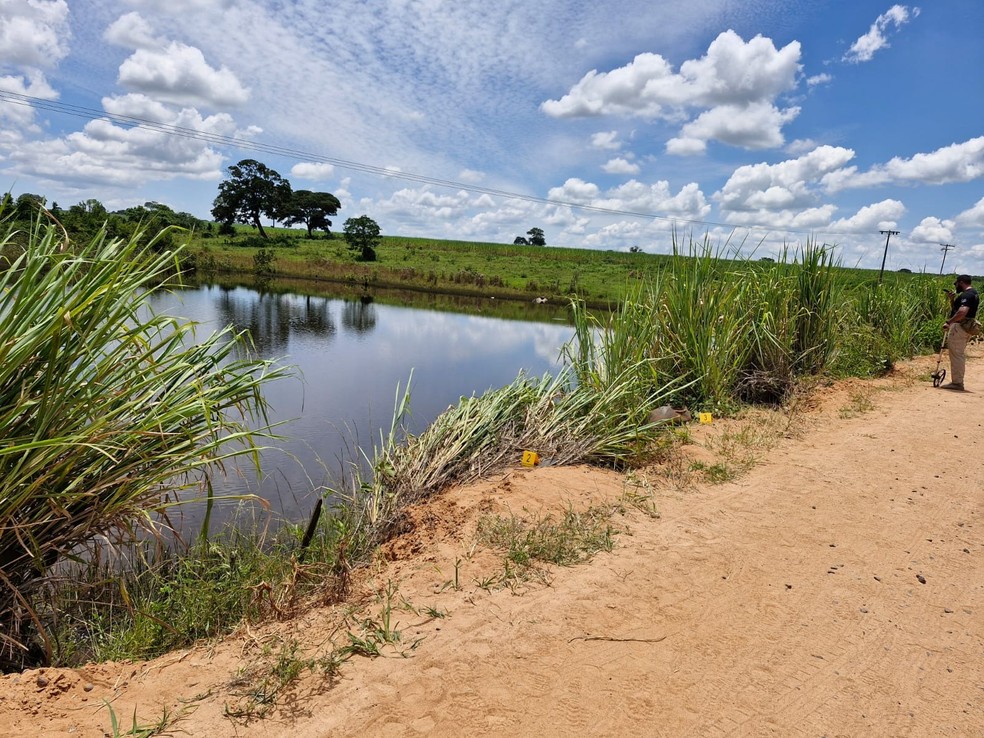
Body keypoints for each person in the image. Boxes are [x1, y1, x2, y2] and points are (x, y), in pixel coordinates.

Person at [942, 274, 980, 390]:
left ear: (961, 282)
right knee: (958, 353)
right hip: (965, 327)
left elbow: (962, 312)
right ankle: (957, 381)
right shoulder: (973, 293)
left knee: (957, 354)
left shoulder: (967, 295)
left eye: (956, 283)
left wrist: (949, 322)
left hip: (960, 327)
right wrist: (952, 300)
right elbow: (957, 309)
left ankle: (957, 383)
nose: (955, 286)